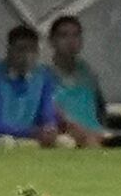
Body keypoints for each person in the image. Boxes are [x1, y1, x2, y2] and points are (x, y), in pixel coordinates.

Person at [0, 25, 62, 148]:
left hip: (29, 137)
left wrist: (49, 128)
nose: (27, 56)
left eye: (32, 50)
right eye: (21, 49)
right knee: (5, 144)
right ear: (9, 50)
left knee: (64, 143)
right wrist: (31, 132)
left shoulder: (44, 77)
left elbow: (47, 113)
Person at [45, 14, 109, 147]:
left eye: (76, 35)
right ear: (52, 41)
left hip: (97, 135)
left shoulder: (88, 73)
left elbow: (100, 108)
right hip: (66, 139)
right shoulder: (43, 76)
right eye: (64, 35)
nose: (71, 41)